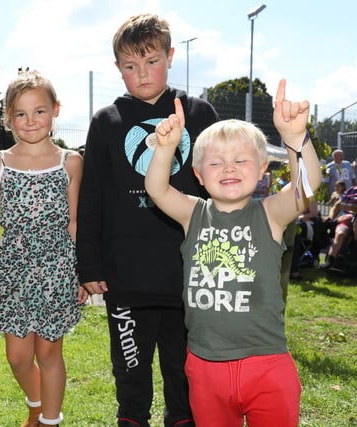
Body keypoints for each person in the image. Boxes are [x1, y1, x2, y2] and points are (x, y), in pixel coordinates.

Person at [144, 79, 321, 426]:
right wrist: (165, 148)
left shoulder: (270, 214)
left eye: (241, 160)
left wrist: (295, 138)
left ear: (261, 170)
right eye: (216, 163)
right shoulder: (193, 214)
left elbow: (307, 185)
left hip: (267, 365)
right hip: (205, 366)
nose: (228, 168)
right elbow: (156, 189)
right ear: (198, 174)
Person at [75, 13, 219, 427]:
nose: (142, 74)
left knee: (184, 375)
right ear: (117, 67)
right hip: (126, 280)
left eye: (152, 61)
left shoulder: (199, 113)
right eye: (130, 66)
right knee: (131, 377)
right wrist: (90, 266)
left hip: (189, 278)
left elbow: (218, 191)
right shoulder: (106, 122)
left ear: (171, 56)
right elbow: (92, 198)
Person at [0, 69, 87, 427]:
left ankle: (50, 421)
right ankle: (36, 405)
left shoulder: (70, 162)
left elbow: (74, 222)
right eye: (20, 113)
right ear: (8, 117)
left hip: (59, 267)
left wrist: (83, 273)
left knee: (49, 351)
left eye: (39, 111)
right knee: (18, 356)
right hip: (12, 268)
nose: (30, 121)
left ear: (55, 110)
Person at [289, 198, 319, 280]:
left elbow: (314, 213)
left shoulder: (309, 197)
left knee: (294, 235)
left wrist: (301, 217)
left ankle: (294, 270)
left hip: (305, 223)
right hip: (290, 222)